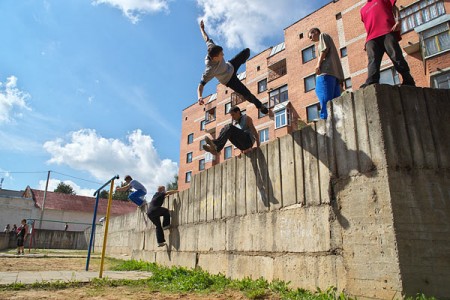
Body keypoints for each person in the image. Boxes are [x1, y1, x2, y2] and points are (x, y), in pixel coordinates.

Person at [197, 20, 269, 115]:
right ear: (215, 58)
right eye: (221, 54)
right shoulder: (209, 70)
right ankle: (260, 106)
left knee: (246, 52)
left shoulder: (212, 47)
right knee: (246, 93)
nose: (223, 54)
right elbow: (200, 85)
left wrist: (202, 29)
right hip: (229, 80)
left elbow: (206, 38)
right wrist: (199, 97)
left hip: (231, 65)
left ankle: (240, 66)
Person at [360, 0, 415, 88]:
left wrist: (398, 20)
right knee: (372, 60)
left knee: (396, 55)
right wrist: (366, 40)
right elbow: (369, 24)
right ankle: (371, 81)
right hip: (371, 38)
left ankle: (407, 77)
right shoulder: (362, 10)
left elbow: (394, 7)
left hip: (387, 31)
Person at [309, 28, 345, 119]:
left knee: (323, 96)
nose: (310, 39)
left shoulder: (323, 35)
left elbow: (324, 50)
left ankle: (325, 119)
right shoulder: (329, 39)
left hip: (325, 72)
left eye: (310, 36)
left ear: (315, 32)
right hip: (334, 75)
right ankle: (336, 119)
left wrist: (318, 64)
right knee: (335, 100)